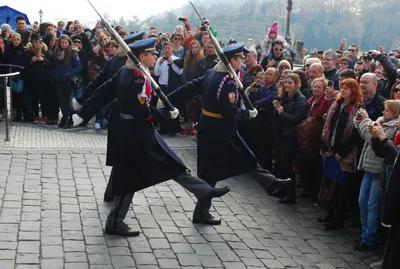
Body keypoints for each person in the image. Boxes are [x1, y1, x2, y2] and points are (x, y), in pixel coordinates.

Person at [73, 38, 230, 236]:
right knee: (129, 177)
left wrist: (83, 111)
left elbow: (101, 92)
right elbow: (141, 111)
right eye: (152, 54)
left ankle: (203, 190)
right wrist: (166, 116)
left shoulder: (129, 72)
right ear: (141, 57)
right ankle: (114, 222)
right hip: (133, 133)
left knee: (172, 162)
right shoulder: (135, 79)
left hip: (138, 130)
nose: (155, 56)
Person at [168, 43, 293, 225]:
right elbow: (230, 111)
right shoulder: (227, 81)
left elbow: (191, 87)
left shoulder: (213, 73)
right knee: (220, 168)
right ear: (232, 60)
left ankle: (270, 183)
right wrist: (246, 115)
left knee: (240, 159)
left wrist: (169, 98)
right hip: (219, 129)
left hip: (211, 127)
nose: (242, 61)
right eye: (240, 58)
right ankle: (202, 212)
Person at [72, 32, 145, 202]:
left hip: (118, 114)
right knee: (125, 159)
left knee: (122, 158)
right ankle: (119, 197)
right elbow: (105, 88)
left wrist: (83, 103)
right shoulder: (125, 67)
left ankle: (112, 192)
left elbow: (98, 83)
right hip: (125, 116)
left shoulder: (114, 60)